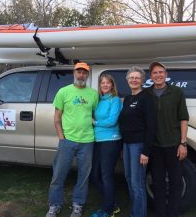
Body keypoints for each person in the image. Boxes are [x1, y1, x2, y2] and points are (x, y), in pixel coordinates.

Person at [45, 62, 99, 217]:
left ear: (87, 75)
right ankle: (54, 205)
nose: (81, 75)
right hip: (67, 141)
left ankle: (78, 205)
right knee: (58, 175)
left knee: (83, 176)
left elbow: (96, 115)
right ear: (73, 73)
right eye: (79, 72)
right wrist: (62, 138)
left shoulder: (93, 94)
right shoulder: (63, 92)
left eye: (84, 73)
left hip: (87, 141)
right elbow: (56, 119)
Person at [145, 62, 189, 217]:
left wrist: (183, 143)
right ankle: (160, 212)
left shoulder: (176, 92)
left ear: (166, 74)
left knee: (176, 182)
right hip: (155, 146)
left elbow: (184, 118)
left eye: (161, 72)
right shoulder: (146, 94)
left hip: (174, 145)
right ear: (150, 76)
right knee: (158, 182)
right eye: (155, 73)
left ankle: (173, 213)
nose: (158, 75)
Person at [118, 66, 155, 217]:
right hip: (127, 145)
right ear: (127, 80)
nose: (134, 80)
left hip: (138, 146)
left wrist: (146, 152)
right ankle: (135, 211)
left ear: (142, 80)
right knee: (128, 178)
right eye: (131, 77)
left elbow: (151, 126)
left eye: (137, 77)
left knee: (137, 183)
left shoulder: (147, 98)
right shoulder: (127, 99)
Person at [90, 74, 122, 217]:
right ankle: (113, 202)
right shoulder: (98, 100)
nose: (105, 85)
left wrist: (95, 123)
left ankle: (108, 210)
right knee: (94, 175)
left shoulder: (114, 100)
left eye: (108, 83)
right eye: (102, 83)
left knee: (106, 176)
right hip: (98, 141)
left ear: (112, 85)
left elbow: (112, 121)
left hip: (111, 141)